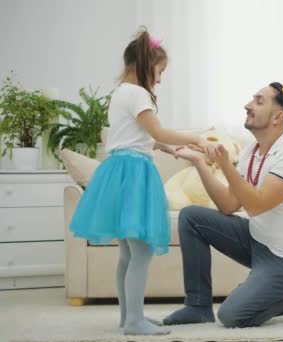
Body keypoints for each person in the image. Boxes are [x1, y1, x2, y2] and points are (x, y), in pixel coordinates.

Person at [69, 28, 210, 336]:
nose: (159, 79)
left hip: (118, 172)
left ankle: (128, 316)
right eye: (159, 71)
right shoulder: (139, 94)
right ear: (147, 65)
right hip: (134, 175)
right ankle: (134, 321)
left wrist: (169, 148)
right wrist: (195, 137)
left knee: (128, 254)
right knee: (142, 252)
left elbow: (135, 137)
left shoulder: (121, 92)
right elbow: (156, 131)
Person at [163, 81, 283, 328]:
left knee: (232, 315)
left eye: (259, 101)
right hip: (258, 241)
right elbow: (229, 205)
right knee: (191, 217)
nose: (247, 105)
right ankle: (197, 306)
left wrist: (225, 164)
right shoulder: (254, 150)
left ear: (279, 116)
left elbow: (256, 205)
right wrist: (199, 161)